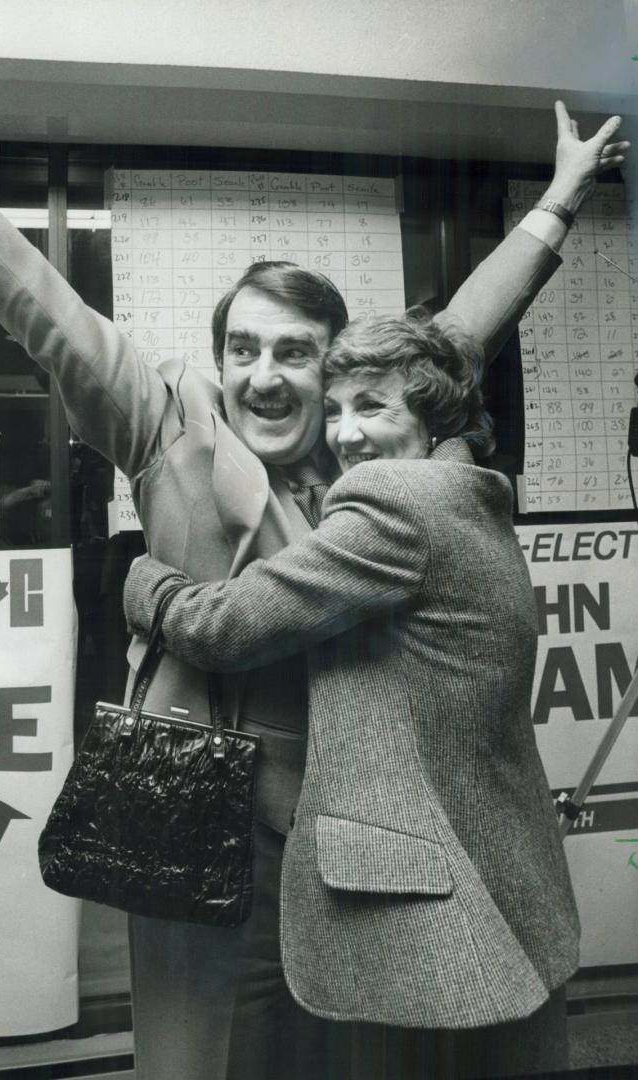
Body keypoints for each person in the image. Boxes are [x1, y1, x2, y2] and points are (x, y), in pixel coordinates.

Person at [0, 71, 625, 1080]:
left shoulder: (374, 442)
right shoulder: (166, 426)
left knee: (341, 1048)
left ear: (337, 368)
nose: (264, 374)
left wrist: (558, 203)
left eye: (295, 352)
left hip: (352, 825)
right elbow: (45, 309)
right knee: (209, 1052)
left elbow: (464, 332)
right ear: (218, 359)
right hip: (197, 812)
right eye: (243, 348)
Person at [122, 308, 580, 1077]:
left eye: (371, 406)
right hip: (500, 863)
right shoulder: (474, 492)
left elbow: (224, 626)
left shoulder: (393, 503)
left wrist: (143, 581)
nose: (343, 434)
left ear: (434, 415)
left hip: (425, 889)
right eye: (334, 410)